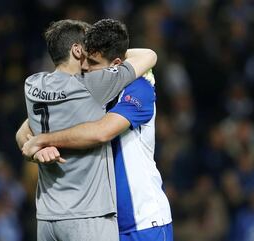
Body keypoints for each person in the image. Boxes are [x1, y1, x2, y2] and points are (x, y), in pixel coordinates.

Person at [21, 19, 173, 241]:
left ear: (116, 64)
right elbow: (25, 130)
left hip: (141, 222)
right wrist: (36, 150)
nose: (85, 68)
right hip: (97, 221)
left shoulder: (139, 89)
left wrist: (44, 139)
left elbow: (101, 131)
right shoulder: (84, 91)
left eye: (92, 62)